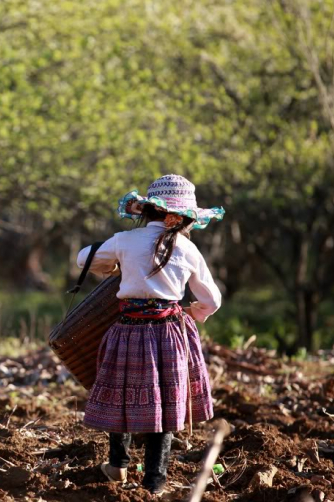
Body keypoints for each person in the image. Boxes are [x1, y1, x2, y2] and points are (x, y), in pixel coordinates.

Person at [77, 174, 225, 496]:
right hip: (170, 335)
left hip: (127, 330)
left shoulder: (123, 241)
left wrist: (115, 266)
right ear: (184, 217)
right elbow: (213, 299)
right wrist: (194, 313)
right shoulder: (187, 249)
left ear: (147, 211)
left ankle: (118, 465)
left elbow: (82, 258)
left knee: (122, 393)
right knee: (167, 403)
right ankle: (155, 483)